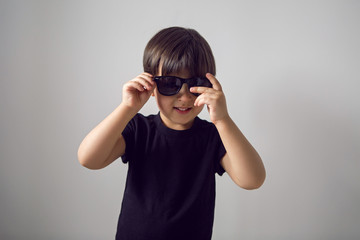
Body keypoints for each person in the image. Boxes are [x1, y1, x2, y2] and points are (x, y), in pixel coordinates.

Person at [77, 26, 266, 240]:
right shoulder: (138, 129)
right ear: (150, 85)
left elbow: (253, 180)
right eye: (169, 83)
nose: (184, 97)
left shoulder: (213, 137)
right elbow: (88, 159)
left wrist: (223, 119)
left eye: (196, 84)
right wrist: (127, 108)